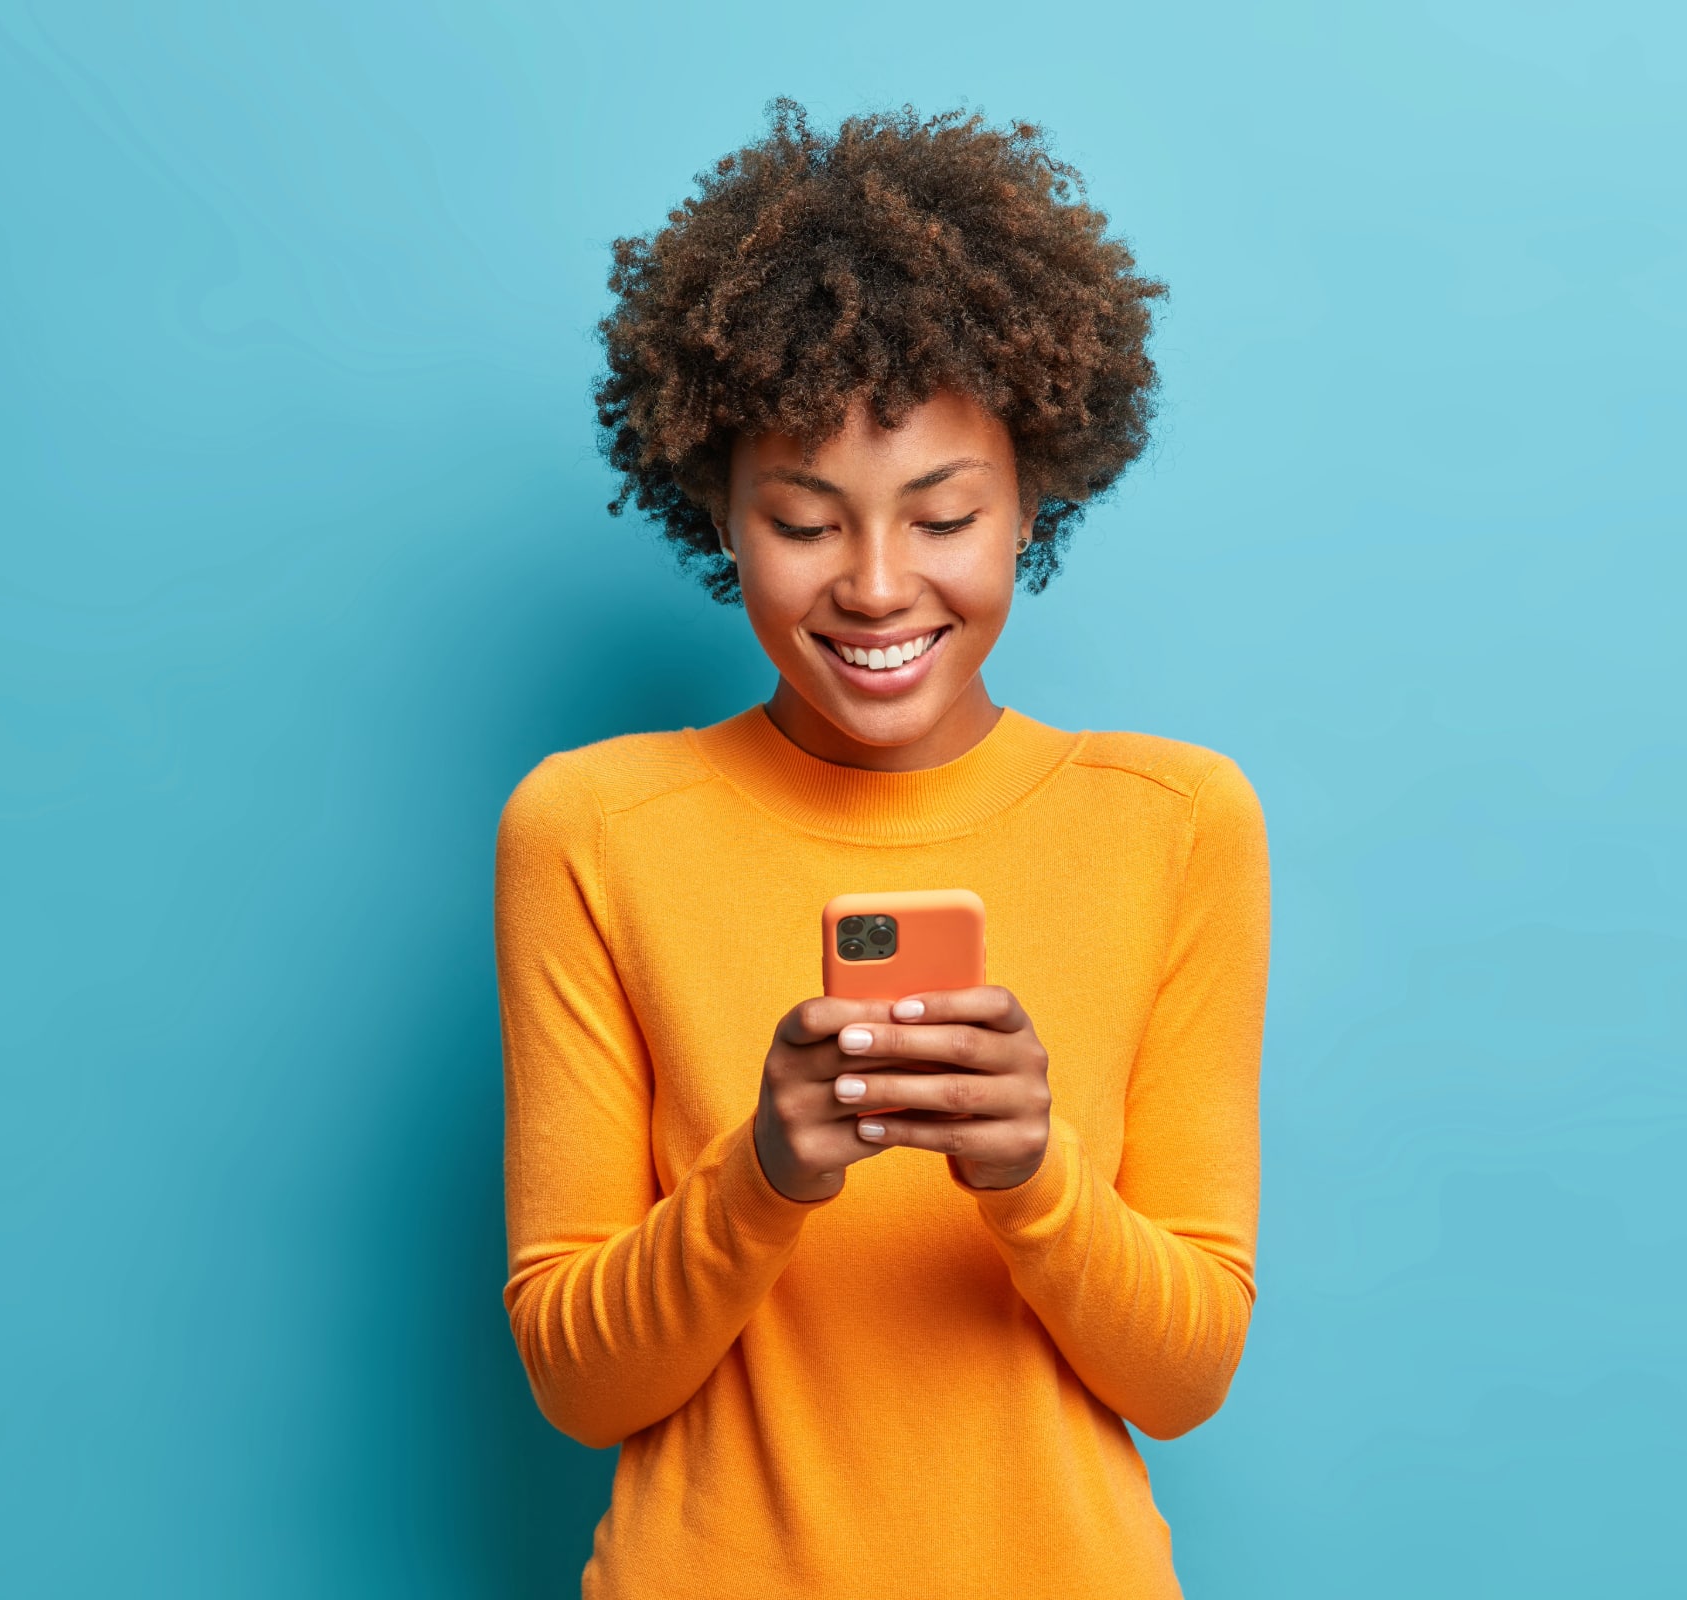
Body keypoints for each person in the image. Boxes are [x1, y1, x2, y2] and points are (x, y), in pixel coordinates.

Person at [495, 101, 1268, 1599]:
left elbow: (1186, 1378)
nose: (873, 586)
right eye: (802, 520)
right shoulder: (588, 830)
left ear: (1034, 494)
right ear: (716, 509)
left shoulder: (1176, 824)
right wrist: (764, 1175)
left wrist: (1033, 1176)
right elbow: (580, 1387)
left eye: (944, 515)